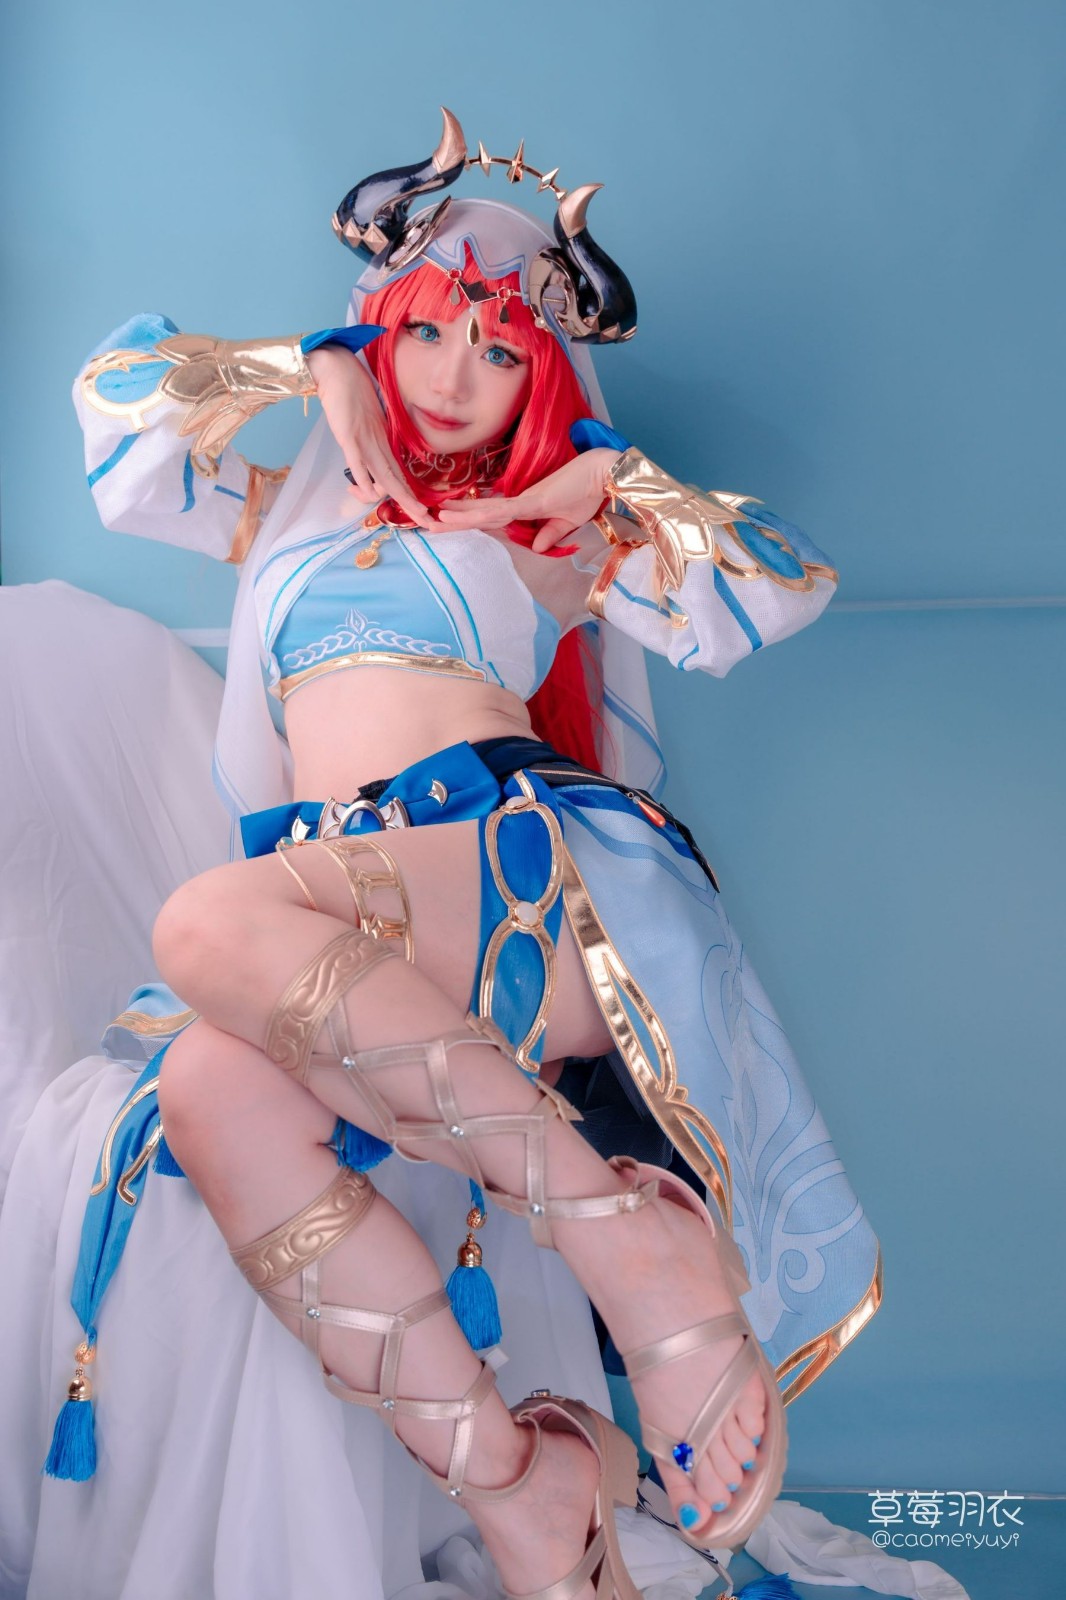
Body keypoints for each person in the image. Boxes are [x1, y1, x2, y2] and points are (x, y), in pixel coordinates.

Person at [44, 109, 881, 1599]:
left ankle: (629, 1238)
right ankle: (514, 1483)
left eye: (500, 352)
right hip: (334, 912)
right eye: (425, 333)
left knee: (201, 926)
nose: (450, 378)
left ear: (540, 376)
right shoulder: (278, 520)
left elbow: (781, 581)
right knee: (210, 1093)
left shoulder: (550, 544)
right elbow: (121, 403)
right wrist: (314, 364)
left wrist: (606, 484)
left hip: (513, 875)